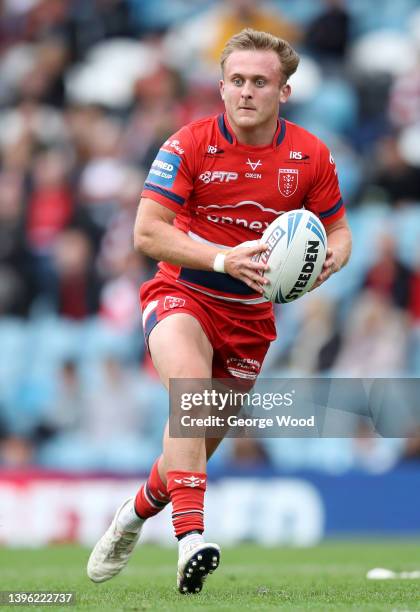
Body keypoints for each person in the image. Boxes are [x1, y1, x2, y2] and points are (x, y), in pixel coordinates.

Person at [87, 28, 352, 594]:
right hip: (182, 293)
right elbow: (147, 232)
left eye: (260, 82)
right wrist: (222, 258)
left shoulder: (309, 154)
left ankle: (133, 514)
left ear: (284, 91)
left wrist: (330, 260)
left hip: (251, 318)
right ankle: (191, 540)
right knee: (191, 393)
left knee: (190, 442)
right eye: (237, 80)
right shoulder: (188, 145)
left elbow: (340, 230)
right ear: (222, 86)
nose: (247, 92)